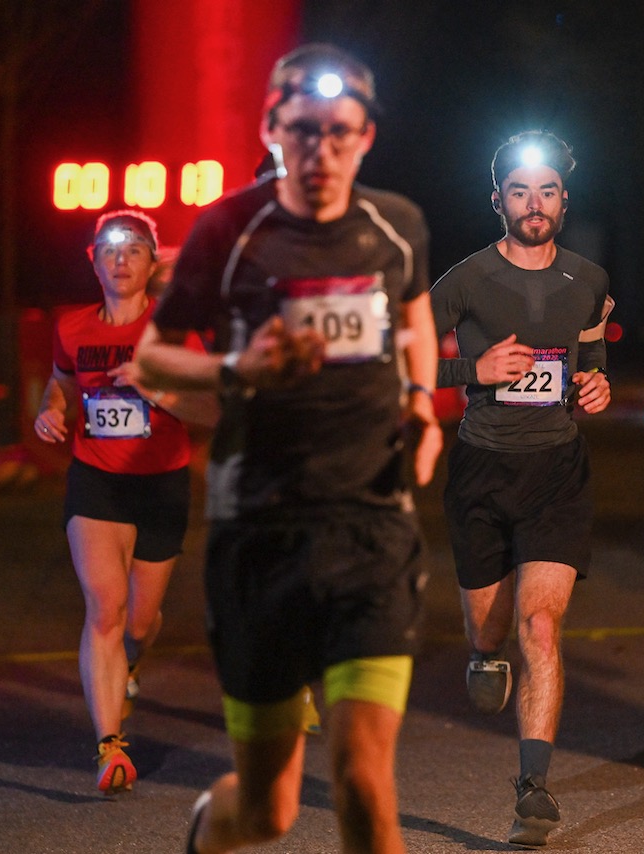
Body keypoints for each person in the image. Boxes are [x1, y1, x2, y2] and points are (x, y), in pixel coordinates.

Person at [133, 43, 442, 854]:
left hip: (371, 525)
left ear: (366, 136)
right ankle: (212, 828)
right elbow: (153, 357)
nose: (321, 150)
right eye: (303, 131)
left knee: (363, 785)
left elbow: (412, 314)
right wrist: (239, 367)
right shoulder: (230, 230)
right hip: (259, 535)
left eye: (340, 132)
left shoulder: (397, 226)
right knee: (269, 811)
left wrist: (420, 400)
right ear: (272, 129)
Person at [429, 130, 613, 848]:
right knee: (493, 623)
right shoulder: (466, 281)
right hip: (481, 469)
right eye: (519, 191)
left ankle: (533, 790)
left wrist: (598, 386)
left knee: (543, 626)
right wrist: (474, 372)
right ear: (497, 200)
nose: (533, 204)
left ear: (564, 201)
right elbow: (396, 359)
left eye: (547, 191)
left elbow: (592, 361)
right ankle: (482, 650)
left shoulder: (589, 279)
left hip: (558, 472)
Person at [34, 209, 215, 794]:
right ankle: (110, 746)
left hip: (162, 481)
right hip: (96, 480)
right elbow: (62, 379)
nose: (121, 259)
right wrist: (53, 409)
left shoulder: (174, 332)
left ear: (150, 261)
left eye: (134, 249)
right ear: (93, 259)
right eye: (110, 249)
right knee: (104, 608)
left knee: (139, 619)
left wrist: (155, 389)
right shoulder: (71, 326)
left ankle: (131, 660)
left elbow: (209, 411)